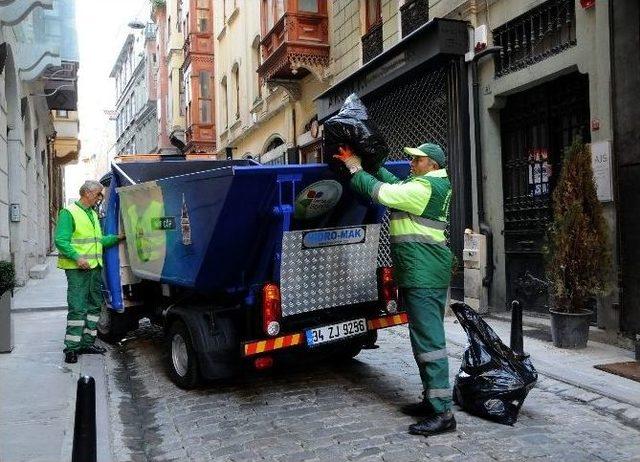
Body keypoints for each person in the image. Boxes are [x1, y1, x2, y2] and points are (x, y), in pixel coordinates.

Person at [335, 142, 455, 437]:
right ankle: (432, 400)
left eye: (418, 160)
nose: (412, 164)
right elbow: (393, 181)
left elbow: (382, 193)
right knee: (424, 339)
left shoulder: (424, 189)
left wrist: (355, 168)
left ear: (433, 165)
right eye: (412, 159)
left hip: (425, 274)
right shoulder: (424, 184)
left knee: (430, 343)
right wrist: (374, 164)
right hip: (422, 272)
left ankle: (443, 412)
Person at [55, 180, 125, 364]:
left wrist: (118, 238)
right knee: (78, 308)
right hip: (77, 269)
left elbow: (98, 241)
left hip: (94, 268)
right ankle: (71, 348)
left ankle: (87, 343)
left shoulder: (92, 214)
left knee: (94, 306)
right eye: (98, 194)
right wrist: (77, 258)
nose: (100, 197)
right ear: (87, 193)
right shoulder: (69, 212)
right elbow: (61, 241)